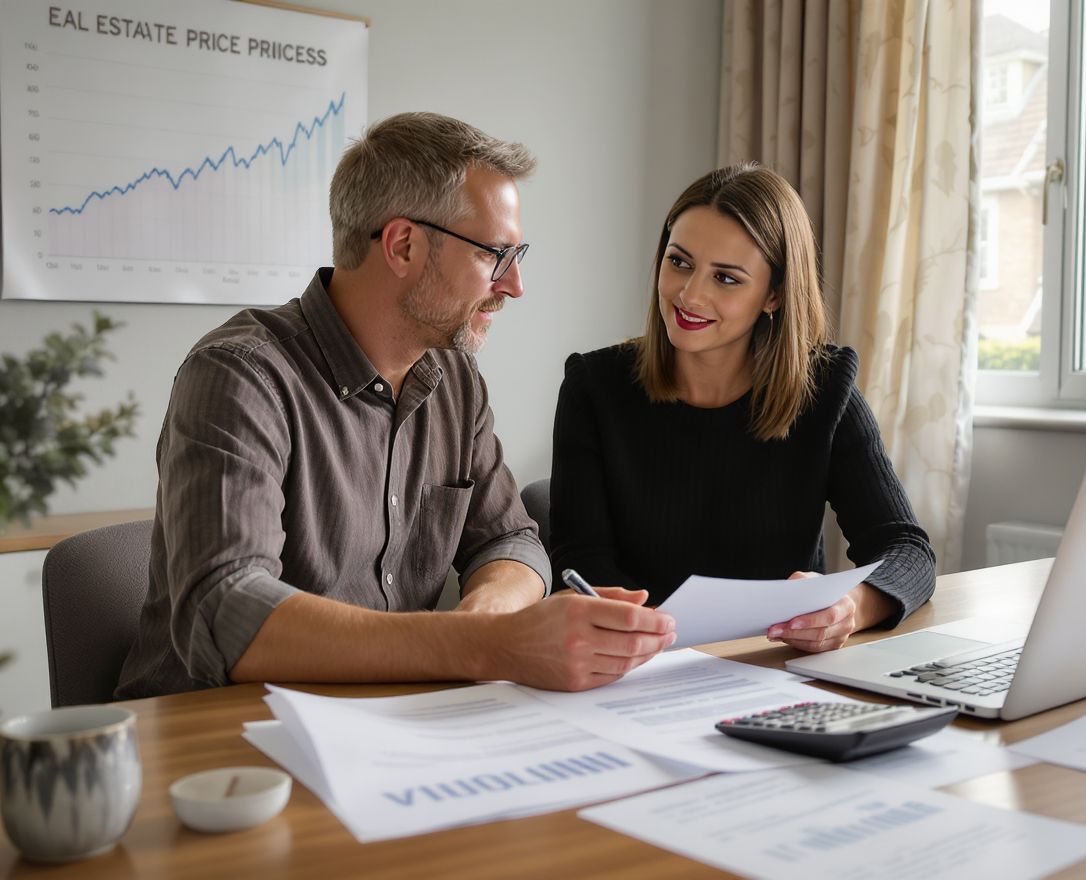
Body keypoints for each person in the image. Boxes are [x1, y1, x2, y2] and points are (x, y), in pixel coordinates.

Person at [117, 113, 675, 699]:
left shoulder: (454, 377)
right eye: (495, 255)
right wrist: (486, 647)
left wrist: (483, 618)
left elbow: (512, 541)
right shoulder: (241, 377)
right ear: (403, 245)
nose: (514, 286)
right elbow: (227, 614)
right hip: (218, 747)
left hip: (386, 729)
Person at [549, 164, 935, 653]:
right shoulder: (594, 387)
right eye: (680, 262)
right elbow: (580, 560)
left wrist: (851, 607)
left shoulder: (824, 392)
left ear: (773, 295)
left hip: (772, 664)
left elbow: (907, 549)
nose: (689, 295)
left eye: (726, 278)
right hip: (638, 666)